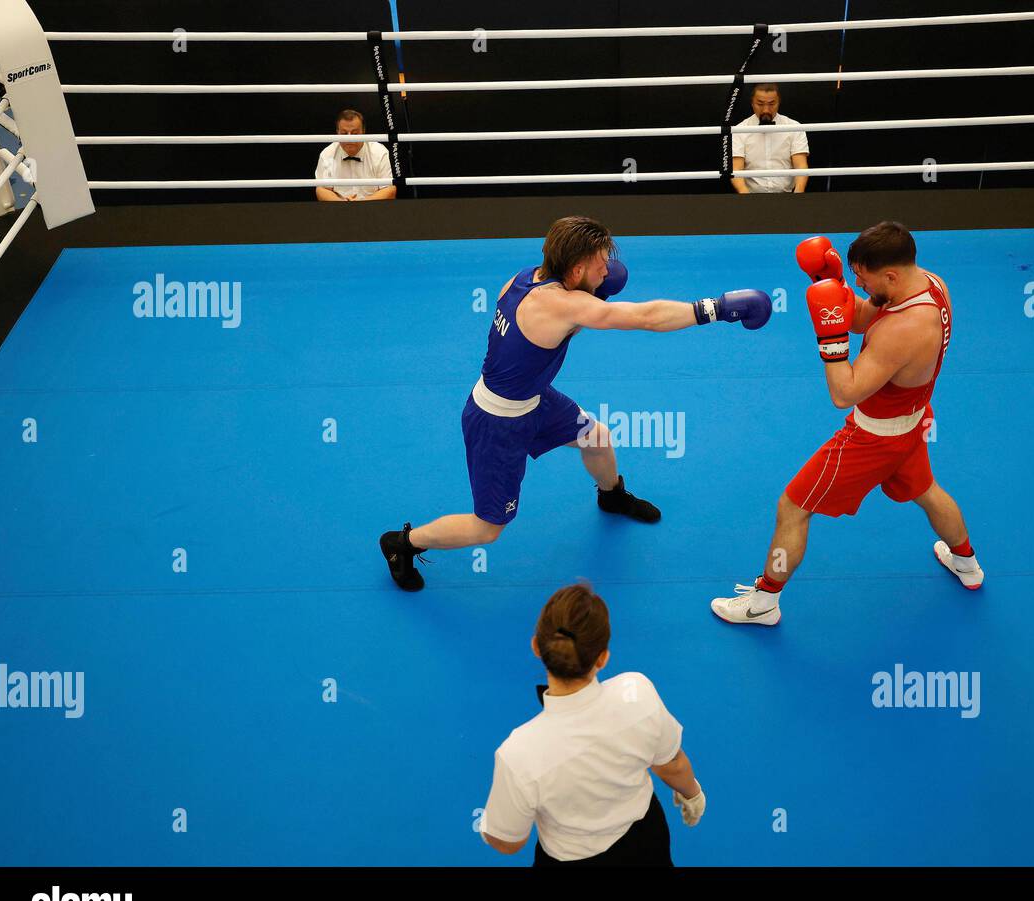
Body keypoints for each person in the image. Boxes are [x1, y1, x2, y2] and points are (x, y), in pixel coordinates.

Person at [379, 215, 771, 591]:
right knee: (488, 527)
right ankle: (403, 543)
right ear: (578, 267)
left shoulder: (524, 278)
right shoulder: (559, 305)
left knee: (596, 437)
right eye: (601, 263)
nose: (609, 270)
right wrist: (717, 308)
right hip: (497, 422)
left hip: (533, 398)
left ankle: (611, 495)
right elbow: (646, 317)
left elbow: (557, 327)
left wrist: (591, 288)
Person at [711, 222, 983, 626]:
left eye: (861, 276)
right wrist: (832, 283)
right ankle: (968, 565)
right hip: (913, 420)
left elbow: (844, 392)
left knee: (793, 507)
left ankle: (763, 602)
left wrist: (831, 342)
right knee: (926, 491)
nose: (857, 281)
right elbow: (861, 318)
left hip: (874, 439)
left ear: (890, 274)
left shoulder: (903, 329)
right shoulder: (928, 283)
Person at [480, 583, 705, 866]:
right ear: (602, 657)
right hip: (646, 841)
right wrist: (692, 794)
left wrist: (493, 826)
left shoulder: (518, 753)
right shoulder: (638, 692)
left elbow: (508, 842)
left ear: (536, 646)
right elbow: (672, 765)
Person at [729, 84, 810, 195]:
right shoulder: (739, 131)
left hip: (786, 196)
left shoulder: (794, 127)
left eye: (772, 104)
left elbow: (800, 165)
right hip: (750, 196)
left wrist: (798, 196)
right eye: (760, 104)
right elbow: (736, 168)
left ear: (779, 103)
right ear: (752, 103)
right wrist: (746, 198)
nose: (766, 109)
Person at [314, 109, 396, 202]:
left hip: (373, 209)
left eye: (355, 133)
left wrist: (361, 204)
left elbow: (390, 190)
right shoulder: (328, 154)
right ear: (337, 132)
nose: (349, 138)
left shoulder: (379, 152)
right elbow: (322, 190)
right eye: (344, 133)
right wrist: (341, 203)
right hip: (338, 210)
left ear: (363, 132)